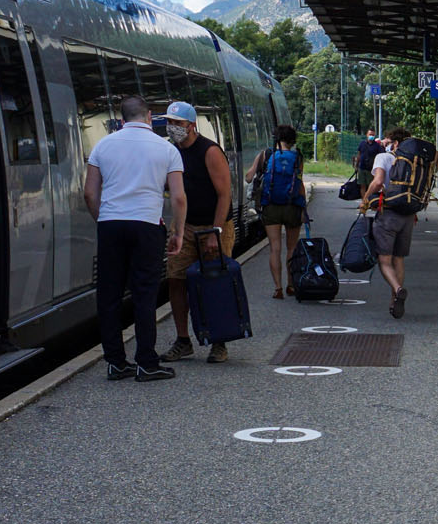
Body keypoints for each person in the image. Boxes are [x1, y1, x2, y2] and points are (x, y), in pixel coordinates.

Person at [83, 95, 184, 381]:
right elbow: (178, 197)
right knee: (144, 294)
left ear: (121, 118)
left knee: (110, 295)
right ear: (150, 116)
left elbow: (90, 193)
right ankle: (146, 363)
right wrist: (178, 230)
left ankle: (115, 362)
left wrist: (103, 218)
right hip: (147, 226)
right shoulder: (166, 149)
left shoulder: (102, 145)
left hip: (111, 224)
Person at [155, 101, 232, 362]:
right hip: (185, 226)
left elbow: (224, 195)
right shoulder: (171, 152)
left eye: (178, 123)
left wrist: (216, 231)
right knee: (176, 280)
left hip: (213, 225)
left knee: (214, 282)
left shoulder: (209, 151)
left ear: (191, 125)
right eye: (170, 123)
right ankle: (183, 340)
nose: (173, 128)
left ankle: (219, 341)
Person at [361, 126, 417, 317]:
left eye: (387, 140)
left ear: (394, 143)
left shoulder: (383, 157)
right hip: (408, 215)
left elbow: (378, 182)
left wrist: (366, 198)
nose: (384, 143)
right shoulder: (413, 160)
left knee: (384, 260)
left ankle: (398, 289)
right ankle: (394, 302)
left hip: (389, 213)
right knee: (398, 259)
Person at [247, 124, 307, 298]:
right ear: (292, 140)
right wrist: (303, 210)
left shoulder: (266, 154)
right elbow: (300, 183)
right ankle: (291, 285)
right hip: (292, 206)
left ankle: (278, 288)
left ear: (276, 138)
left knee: (275, 248)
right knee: (292, 248)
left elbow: (249, 177)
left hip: (271, 206)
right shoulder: (297, 157)